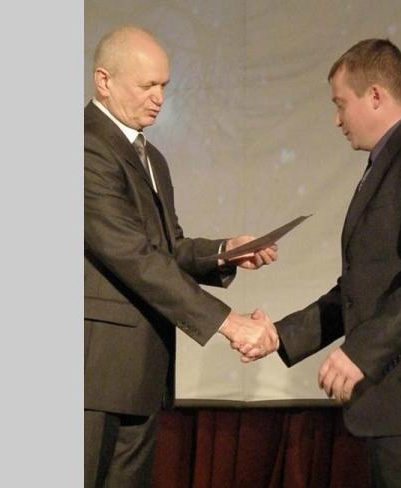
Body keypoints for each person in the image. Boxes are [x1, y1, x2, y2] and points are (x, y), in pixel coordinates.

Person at [247, 39, 401, 487]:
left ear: (375, 95)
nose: (336, 120)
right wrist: (280, 335)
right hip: (394, 408)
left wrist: (362, 351)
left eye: (340, 104)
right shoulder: (388, 162)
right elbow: (363, 289)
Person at [84, 25, 278, 488]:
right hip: (91, 374)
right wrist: (229, 322)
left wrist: (225, 252)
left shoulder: (152, 158)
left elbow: (167, 248)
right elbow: (132, 256)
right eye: (147, 85)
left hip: (141, 373)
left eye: (164, 85)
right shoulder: (84, 146)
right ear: (103, 81)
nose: (158, 98)